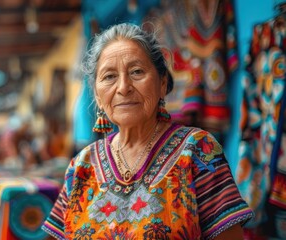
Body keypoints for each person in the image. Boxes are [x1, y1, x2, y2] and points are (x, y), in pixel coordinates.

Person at [42, 23, 254, 239]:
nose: (123, 87)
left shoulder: (197, 151)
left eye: (136, 72)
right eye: (109, 76)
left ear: (162, 83)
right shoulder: (81, 166)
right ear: (97, 95)